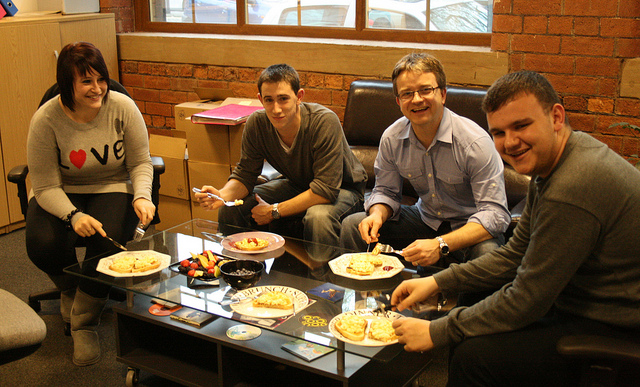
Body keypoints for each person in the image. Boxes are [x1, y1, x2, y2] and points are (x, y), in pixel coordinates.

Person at [390, 70, 640, 385]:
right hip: (580, 302)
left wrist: (435, 330)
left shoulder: (573, 186)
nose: (510, 142)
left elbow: (527, 299)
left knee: (473, 357)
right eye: (498, 132)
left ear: (556, 117)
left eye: (521, 126)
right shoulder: (557, 163)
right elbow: (515, 254)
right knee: (474, 314)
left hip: (614, 324)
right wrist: (439, 281)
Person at [26, 42, 155, 366]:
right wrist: (72, 215)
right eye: (86, 81)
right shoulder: (46, 119)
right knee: (42, 243)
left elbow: (141, 162)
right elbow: (43, 184)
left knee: (108, 237)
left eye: (101, 79)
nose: (97, 88)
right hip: (60, 190)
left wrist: (142, 194)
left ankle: (84, 321)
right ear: (67, 83)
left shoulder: (122, 107)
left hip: (111, 184)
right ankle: (72, 289)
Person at [339, 53, 510, 271]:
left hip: (469, 229)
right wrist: (376, 215)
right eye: (407, 93)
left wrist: (440, 244)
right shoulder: (392, 138)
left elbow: (496, 215)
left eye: (425, 90)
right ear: (399, 101)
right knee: (353, 226)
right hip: (425, 219)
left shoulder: (474, 142)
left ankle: (469, 307)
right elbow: (386, 192)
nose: (417, 99)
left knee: (488, 254)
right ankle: (358, 299)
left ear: (443, 94)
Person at [195, 63, 366, 251]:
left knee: (318, 217)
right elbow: (245, 174)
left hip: (344, 189)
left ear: (299, 96)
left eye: (283, 99)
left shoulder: (324, 121)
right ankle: (241, 269)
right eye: (269, 100)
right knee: (231, 208)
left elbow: (325, 189)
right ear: (260, 99)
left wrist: (274, 210)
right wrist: (222, 195)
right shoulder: (257, 124)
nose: (276, 109)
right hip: (297, 184)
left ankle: (322, 279)